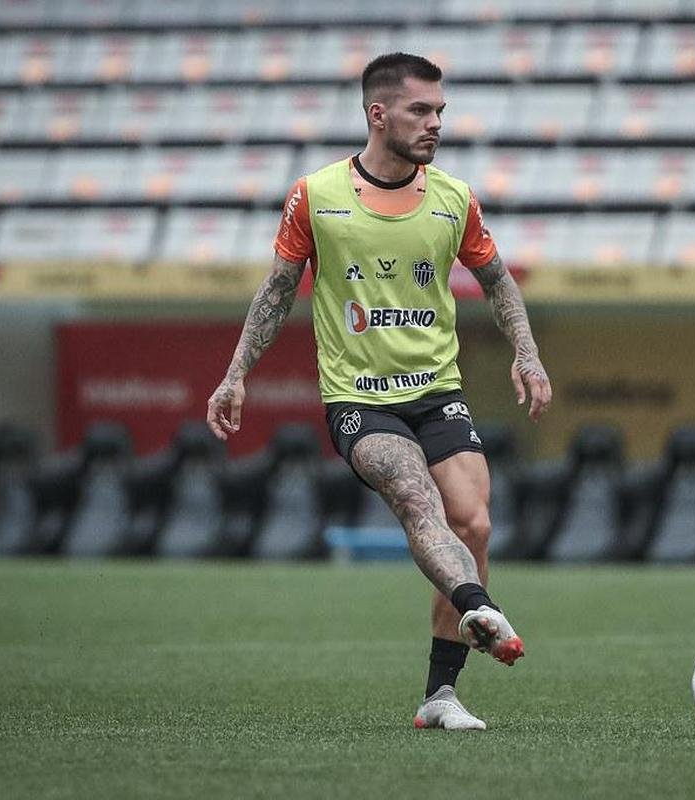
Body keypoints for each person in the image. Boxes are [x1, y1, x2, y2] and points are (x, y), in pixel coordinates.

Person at [205, 52, 552, 731]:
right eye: (421, 111)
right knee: (418, 501)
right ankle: (477, 604)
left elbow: (498, 282)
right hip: (360, 400)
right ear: (378, 114)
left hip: (437, 392)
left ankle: (441, 696)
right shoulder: (318, 195)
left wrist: (527, 353)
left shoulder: (453, 199)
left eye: (440, 112)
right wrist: (236, 371)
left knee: (473, 521)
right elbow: (277, 291)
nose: (434, 124)